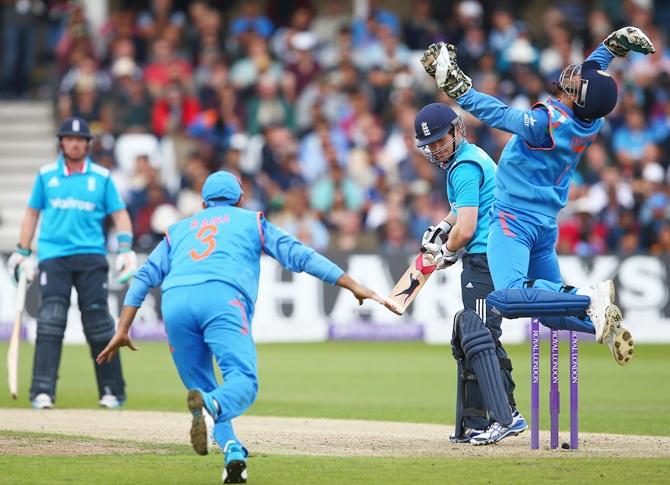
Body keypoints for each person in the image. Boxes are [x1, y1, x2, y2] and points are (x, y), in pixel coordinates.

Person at [96, 170, 386, 484]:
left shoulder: (178, 230)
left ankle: (234, 452)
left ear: (204, 202)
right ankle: (210, 406)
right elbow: (300, 256)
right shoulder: (251, 221)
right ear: (240, 198)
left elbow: (143, 278)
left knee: (207, 391)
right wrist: (351, 284)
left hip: (175, 303)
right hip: (222, 298)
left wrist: (123, 328)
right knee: (243, 383)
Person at [419, 27, 655, 371]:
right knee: (551, 316)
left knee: (507, 298)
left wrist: (458, 88)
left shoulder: (546, 123)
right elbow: (593, 77)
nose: (571, 77)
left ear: (580, 96)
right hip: (544, 225)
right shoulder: (593, 121)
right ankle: (603, 324)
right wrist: (611, 47)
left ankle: (588, 299)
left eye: (576, 83)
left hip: (513, 220)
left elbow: (498, 114)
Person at [414, 103, 526, 446]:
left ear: (456, 130)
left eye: (439, 140)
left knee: (481, 336)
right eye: (429, 144)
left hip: (483, 259)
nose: (435, 148)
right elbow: (459, 213)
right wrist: (441, 227)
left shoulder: (463, 166)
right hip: (490, 256)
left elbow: (466, 230)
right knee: (475, 338)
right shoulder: (470, 157)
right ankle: (476, 421)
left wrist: (445, 252)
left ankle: (507, 416)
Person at [7, 117, 137, 410]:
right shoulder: (46, 175)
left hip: (91, 255)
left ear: (88, 144)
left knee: (99, 323)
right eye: (69, 138)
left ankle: (111, 391)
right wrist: (22, 251)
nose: (75, 143)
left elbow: (119, 214)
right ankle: (42, 392)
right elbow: (31, 213)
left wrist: (126, 248)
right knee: (50, 321)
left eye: (80, 139)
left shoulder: (102, 177)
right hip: (54, 257)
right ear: (61, 142)